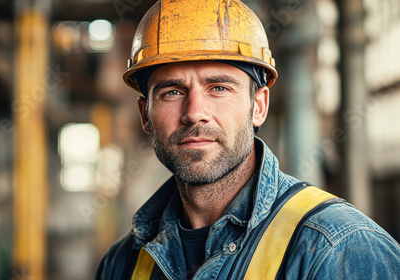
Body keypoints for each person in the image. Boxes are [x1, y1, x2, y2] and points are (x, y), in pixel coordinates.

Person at [96, 0, 400, 279]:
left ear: (259, 106)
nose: (194, 113)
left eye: (218, 88)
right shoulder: (122, 263)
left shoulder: (339, 250)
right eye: (172, 92)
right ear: (145, 115)